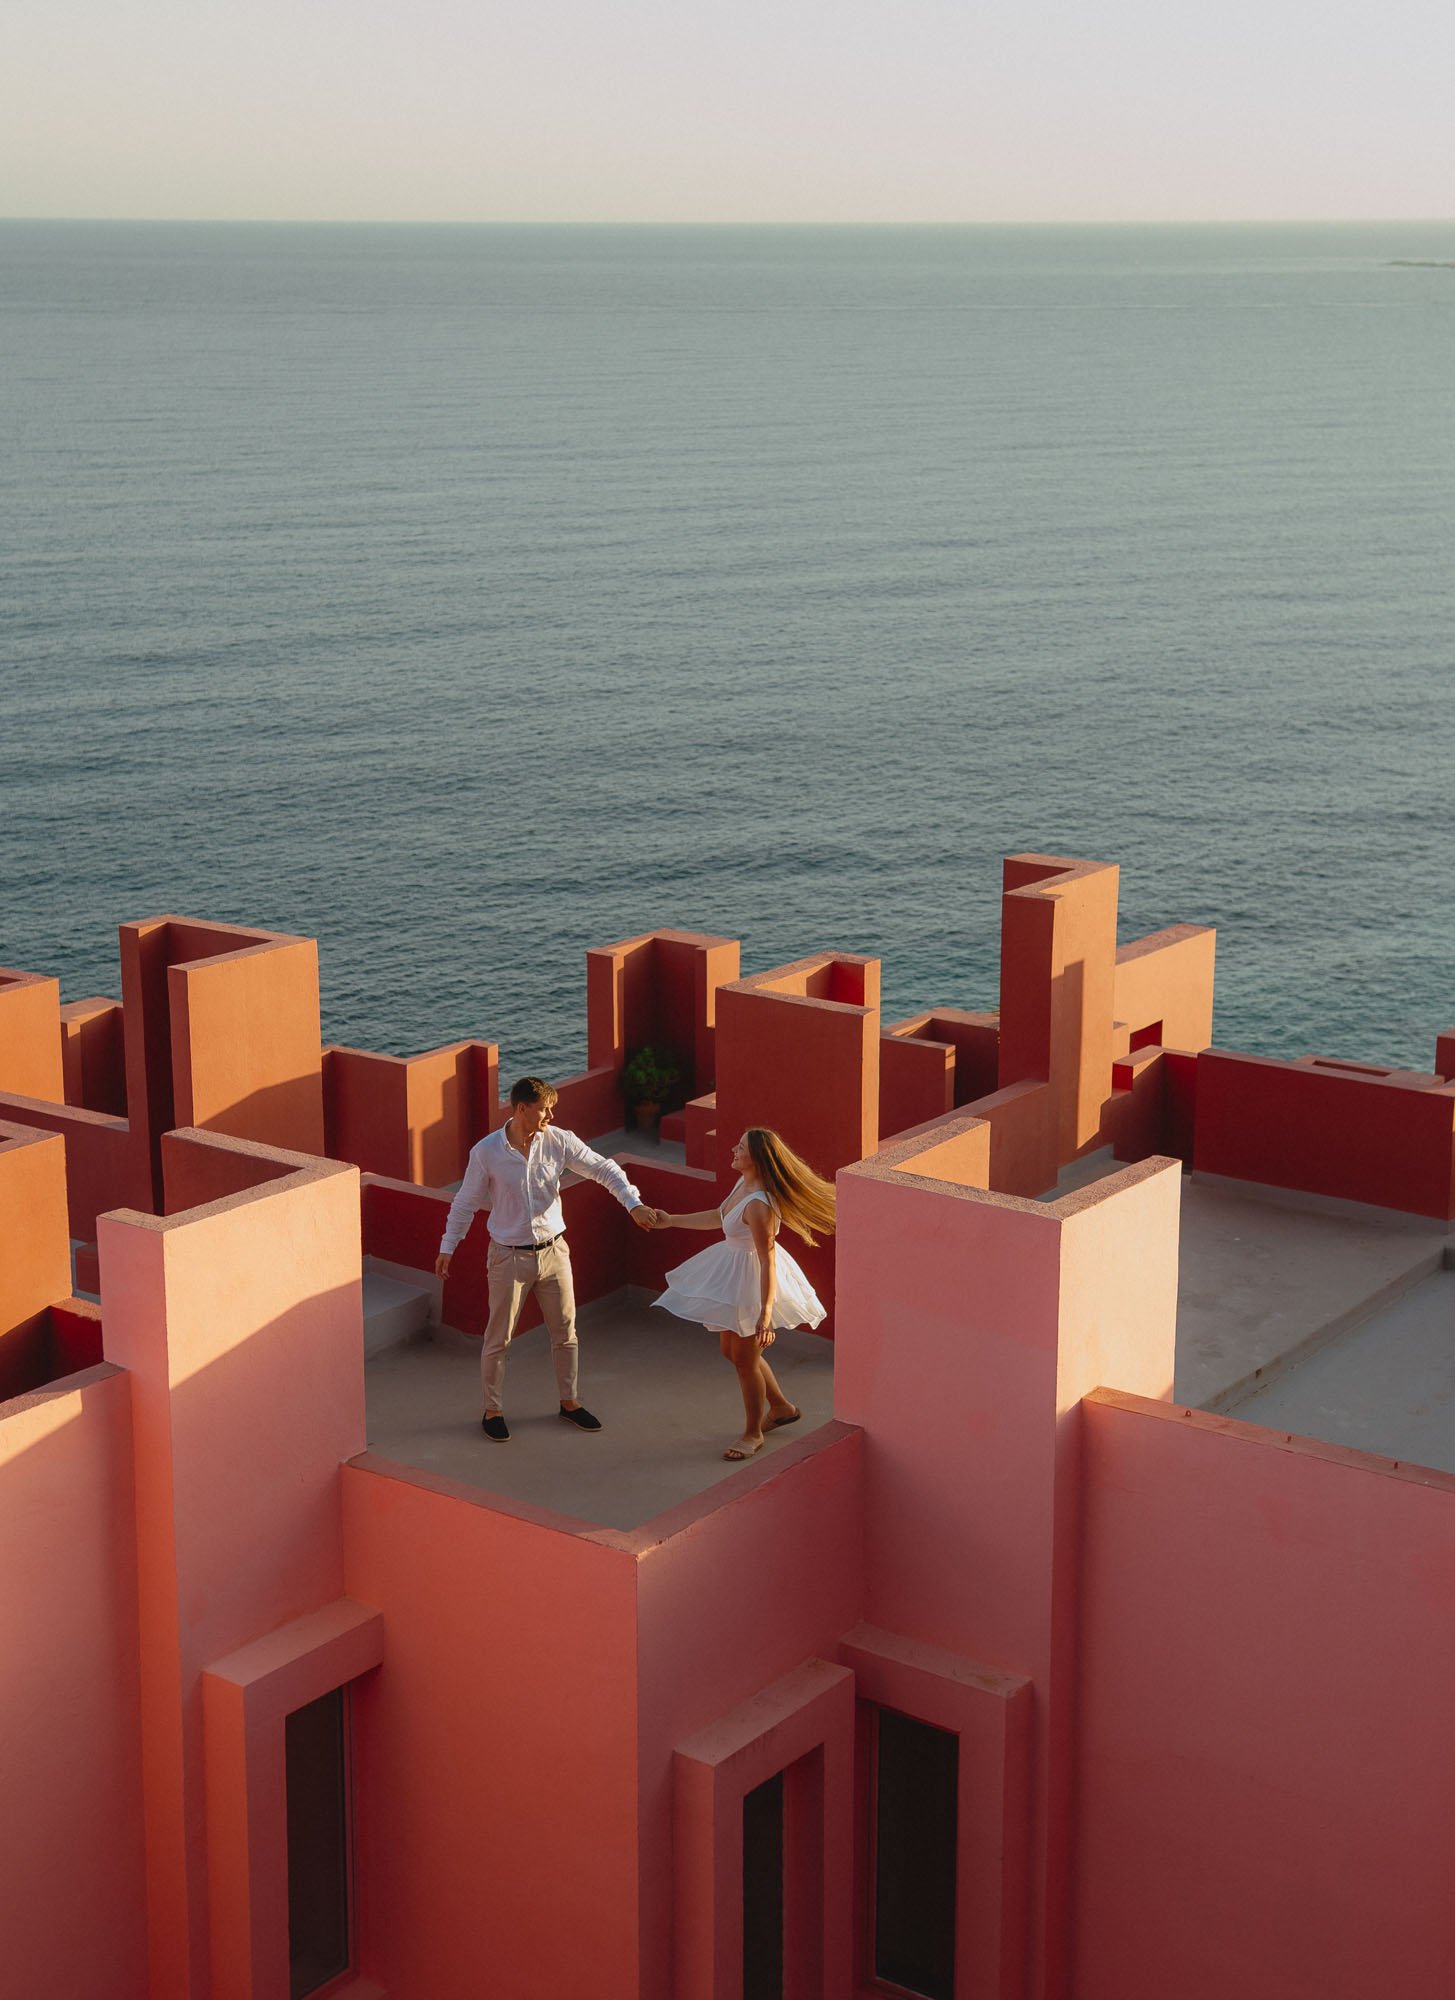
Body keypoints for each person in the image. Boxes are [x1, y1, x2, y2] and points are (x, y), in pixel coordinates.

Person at [435, 1076, 662, 1441]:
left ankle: (569, 1403)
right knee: (499, 1339)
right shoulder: (486, 1152)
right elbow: (465, 1201)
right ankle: (492, 1411)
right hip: (508, 1257)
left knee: (566, 1333)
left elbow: (603, 1168)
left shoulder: (559, 1140)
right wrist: (448, 1246)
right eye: (544, 1108)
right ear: (522, 1108)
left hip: (555, 1251)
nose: (550, 1115)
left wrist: (632, 1203)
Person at [651, 1127, 835, 1460]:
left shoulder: (759, 1205)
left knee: (745, 1362)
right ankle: (781, 1407)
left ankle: (753, 1434)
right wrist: (670, 1221)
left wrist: (765, 1314)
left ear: (758, 1159)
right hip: (734, 1272)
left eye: (741, 1147)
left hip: (752, 1281)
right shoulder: (743, 1185)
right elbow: (717, 1218)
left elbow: (768, 1261)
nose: (733, 1150)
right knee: (733, 1353)